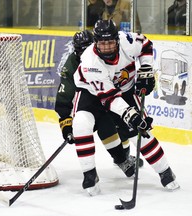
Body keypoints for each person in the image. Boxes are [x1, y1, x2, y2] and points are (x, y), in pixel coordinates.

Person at [73, 19, 180, 195]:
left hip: (125, 90)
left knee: (140, 130)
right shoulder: (89, 62)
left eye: (110, 42)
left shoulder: (127, 41)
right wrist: (128, 113)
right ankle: (89, 175)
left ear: (117, 39)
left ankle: (165, 171)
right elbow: (109, 98)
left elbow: (146, 45)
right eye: (102, 43)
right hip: (91, 93)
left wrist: (146, 67)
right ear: (95, 43)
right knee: (81, 124)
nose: (106, 47)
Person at [55, 30, 145, 195]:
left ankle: (122, 158)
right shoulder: (73, 64)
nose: (84, 52)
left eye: (87, 47)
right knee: (103, 124)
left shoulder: (104, 55)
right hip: (89, 104)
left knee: (121, 125)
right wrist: (66, 126)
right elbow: (63, 99)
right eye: (80, 49)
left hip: (111, 98)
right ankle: (118, 161)